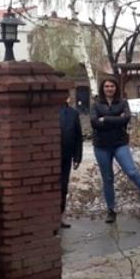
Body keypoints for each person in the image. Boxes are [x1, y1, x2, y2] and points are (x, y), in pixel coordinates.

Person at [91, 77, 140, 224]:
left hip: (120, 144)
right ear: (102, 88)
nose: (109, 89)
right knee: (107, 178)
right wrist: (114, 119)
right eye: (106, 86)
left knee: (132, 171)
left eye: (112, 86)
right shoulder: (96, 105)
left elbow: (126, 119)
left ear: (116, 88)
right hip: (101, 146)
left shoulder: (123, 103)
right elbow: (94, 123)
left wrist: (105, 119)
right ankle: (111, 210)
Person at [59, 92, 83, 228]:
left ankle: (59, 216)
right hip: (49, 156)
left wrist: (77, 156)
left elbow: (78, 136)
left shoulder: (73, 113)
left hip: (66, 155)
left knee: (63, 187)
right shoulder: (48, 111)